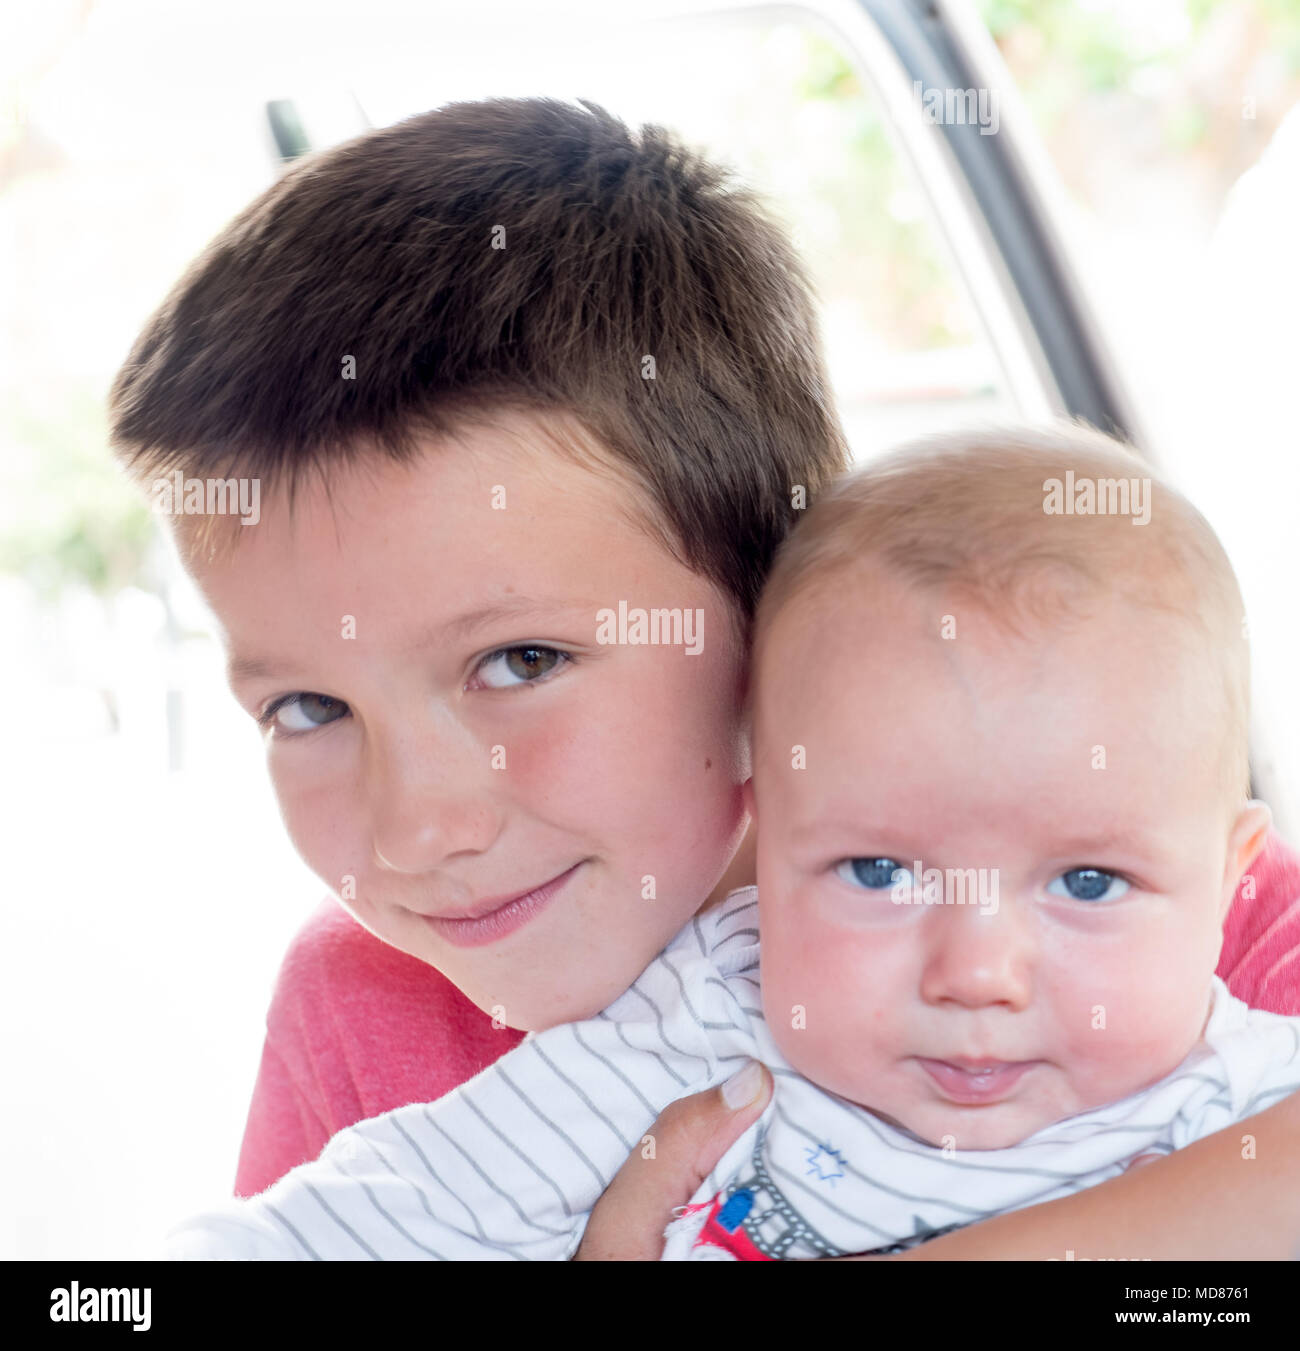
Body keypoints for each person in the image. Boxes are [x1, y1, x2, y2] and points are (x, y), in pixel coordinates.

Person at [108, 96, 1300, 1257]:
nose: (419, 827)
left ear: (768, 621)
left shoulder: (1164, 894)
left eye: (521, 662)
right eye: (307, 706)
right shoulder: (354, 1006)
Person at [162, 425, 1300, 1260]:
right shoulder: (711, 1014)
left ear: (1226, 875)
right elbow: (357, 1217)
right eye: (876, 872)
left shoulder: (1239, 1093)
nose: (976, 972)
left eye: (1089, 882)